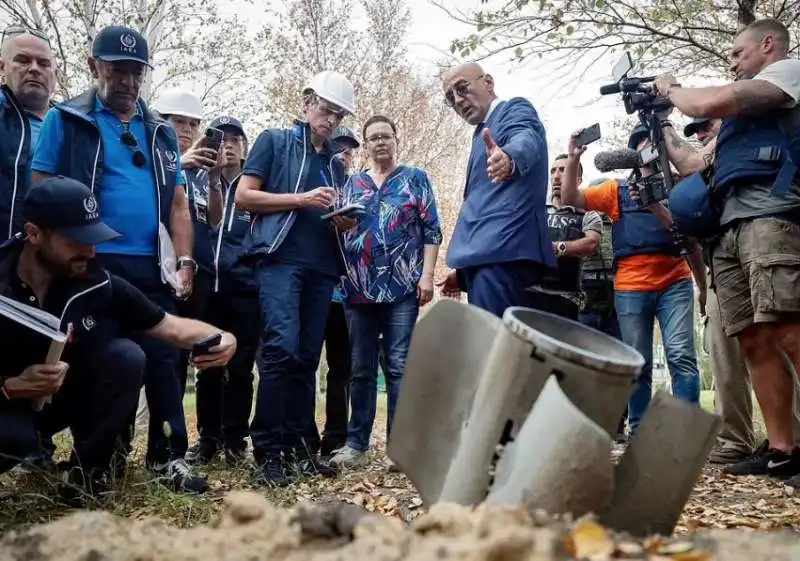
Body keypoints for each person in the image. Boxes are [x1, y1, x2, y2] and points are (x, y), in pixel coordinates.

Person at [30, 26, 204, 492]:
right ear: (94, 67)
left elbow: (178, 204)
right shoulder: (65, 121)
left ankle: (169, 458)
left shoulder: (161, 132)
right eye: (117, 70)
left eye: (136, 72)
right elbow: (41, 188)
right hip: (91, 267)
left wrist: (185, 261)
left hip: (151, 266)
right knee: (107, 360)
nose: (127, 81)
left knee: (164, 358)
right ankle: (98, 462)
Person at [0, 177, 236, 502]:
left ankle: (87, 478)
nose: (90, 251)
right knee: (10, 440)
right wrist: (10, 387)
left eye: (94, 238)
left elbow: (170, 326)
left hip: (59, 402)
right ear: (34, 234)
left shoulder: (96, 282)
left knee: (127, 356)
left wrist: (225, 337)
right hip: (7, 407)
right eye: (75, 241)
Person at [655, 18, 800, 484]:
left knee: (790, 331)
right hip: (730, 227)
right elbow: (693, 162)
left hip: (774, 214)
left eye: (738, 53)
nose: (732, 62)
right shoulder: (739, 125)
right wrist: (659, 124)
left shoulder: (787, 74)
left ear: (768, 44)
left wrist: (672, 87)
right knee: (754, 338)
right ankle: (782, 449)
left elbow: (710, 100)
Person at [236, 70, 356, 486]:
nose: (331, 120)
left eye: (338, 115)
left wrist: (343, 222)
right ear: (307, 104)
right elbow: (244, 196)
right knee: (281, 349)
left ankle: (298, 448)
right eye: (326, 109)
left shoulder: (336, 166)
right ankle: (267, 451)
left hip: (322, 267)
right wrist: (300, 199)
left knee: (307, 359)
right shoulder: (275, 142)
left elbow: (332, 214)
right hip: (279, 260)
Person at [559, 125, 703, 433]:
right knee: (638, 362)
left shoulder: (679, 185)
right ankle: (639, 431)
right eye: (640, 146)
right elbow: (571, 196)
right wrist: (573, 159)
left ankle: (687, 432)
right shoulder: (615, 190)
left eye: (653, 145)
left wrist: (702, 287)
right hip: (631, 285)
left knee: (681, 355)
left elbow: (689, 239)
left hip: (675, 280)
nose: (647, 152)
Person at [329, 115, 442, 469]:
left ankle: (401, 447)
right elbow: (338, 233)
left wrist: (426, 277)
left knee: (399, 367)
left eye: (385, 136)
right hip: (357, 290)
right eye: (373, 137)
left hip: (402, 291)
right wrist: (340, 225)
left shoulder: (415, 180)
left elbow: (432, 232)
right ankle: (356, 446)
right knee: (360, 369)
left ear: (396, 139)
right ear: (366, 143)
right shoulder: (353, 185)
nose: (380, 142)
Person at [436, 62, 555, 317]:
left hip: (503, 255)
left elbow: (526, 137)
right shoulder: (480, 133)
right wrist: (464, 272)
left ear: (488, 83)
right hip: (486, 260)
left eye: (462, 88)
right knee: (493, 345)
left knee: (495, 346)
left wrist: (510, 159)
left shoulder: (514, 109)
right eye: (450, 97)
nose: (457, 100)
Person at [187, 116, 259, 466]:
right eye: (221, 139)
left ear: (244, 148)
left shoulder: (255, 186)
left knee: (242, 369)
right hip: (205, 290)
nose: (227, 145)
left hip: (244, 290)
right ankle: (208, 440)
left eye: (235, 139)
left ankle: (235, 442)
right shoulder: (198, 181)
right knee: (207, 367)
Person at [153, 88, 224, 395]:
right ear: (162, 122)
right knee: (161, 348)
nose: (187, 129)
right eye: (179, 121)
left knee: (188, 348)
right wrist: (179, 163)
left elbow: (215, 219)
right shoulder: (156, 159)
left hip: (202, 266)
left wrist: (213, 179)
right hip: (166, 264)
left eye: (193, 123)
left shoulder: (201, 170)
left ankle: (175, 433)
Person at [306, 126, 360, 459]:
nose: (344, 154)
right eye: (339, 148)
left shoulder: (358, 191)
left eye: (350, 150)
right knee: (307, 363)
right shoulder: (314, 187)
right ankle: (306, 437)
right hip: (314, 292)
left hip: (347, 297)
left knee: (342, 370)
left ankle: (336, 437)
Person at [524, 153, 602, 320]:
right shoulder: (535, 211)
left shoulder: (588, 215)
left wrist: (556, 248)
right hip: (528, 295)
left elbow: (591, 244)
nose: (556, 176)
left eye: (563, 170)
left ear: (578, 179)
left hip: (565, 301)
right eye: (553, 171)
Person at [0, 25, 56, 240]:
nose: (34, 69)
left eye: (43, 63)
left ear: (55, 74)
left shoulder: (73, 123)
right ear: (3, 67)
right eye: (23, 60)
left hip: (56, 256)